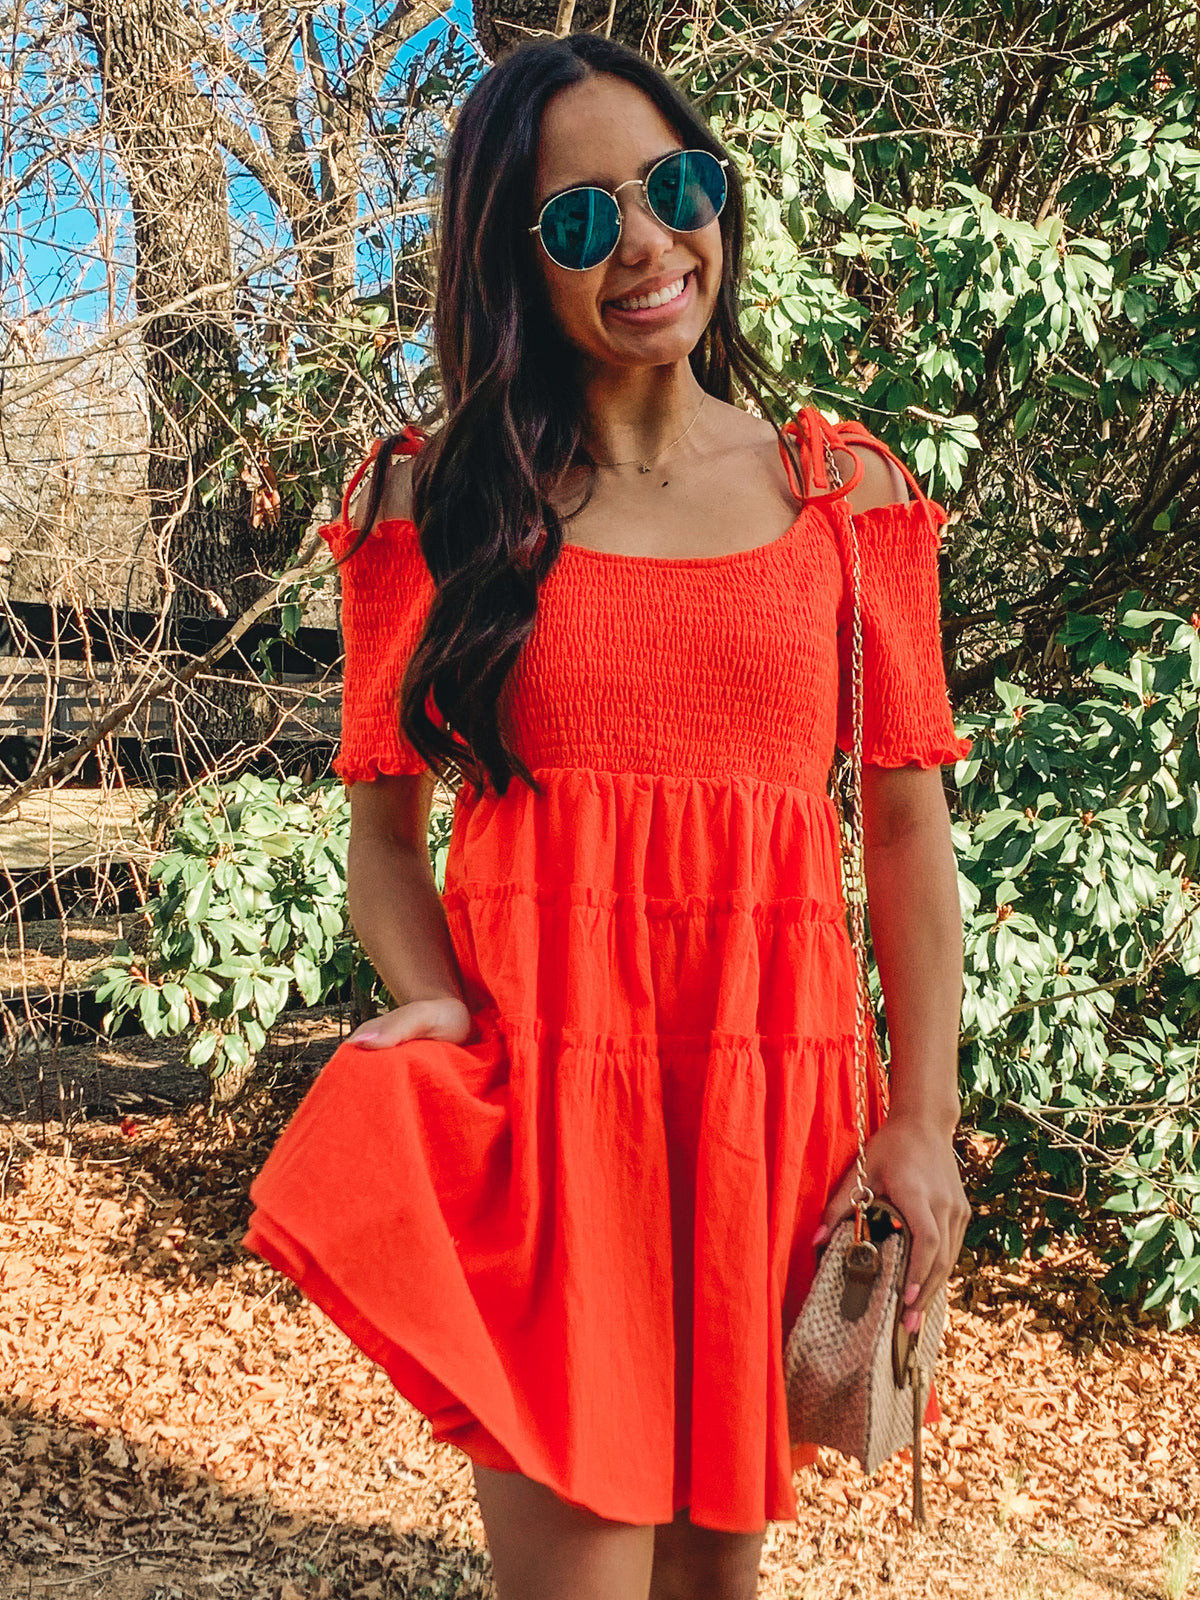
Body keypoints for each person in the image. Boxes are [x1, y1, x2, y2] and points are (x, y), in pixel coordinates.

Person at [243, 30, 972, 1600]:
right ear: (514, 264)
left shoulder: (848, 494)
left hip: (764, 1114)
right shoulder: (433, 504)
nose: (647, 244)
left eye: (676, 186)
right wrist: (434, 1002)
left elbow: (909, 833)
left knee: (718, 1586)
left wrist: (923, 1123)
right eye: (582, 219)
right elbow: (384, 838)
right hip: (552, 1116)